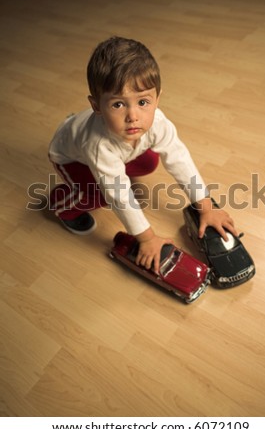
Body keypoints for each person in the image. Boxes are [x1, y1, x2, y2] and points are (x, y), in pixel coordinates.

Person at [48, 36, 237, 273]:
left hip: (116, 148)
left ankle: (98, 135)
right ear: (96, 106)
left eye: (143, 102)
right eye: (118, 104)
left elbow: (178, 158)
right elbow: (118, 194)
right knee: (99, 195)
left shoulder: (157, 121)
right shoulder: (98, 145)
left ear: (157, 98)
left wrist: (206, 207)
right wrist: (146, 238)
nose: (133, 116)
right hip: (73, 158)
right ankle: (62, 206)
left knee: (150, 161)